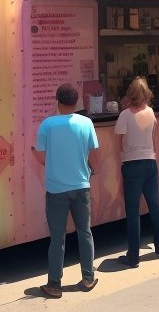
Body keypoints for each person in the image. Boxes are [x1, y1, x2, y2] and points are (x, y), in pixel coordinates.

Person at [32, 83, 99, 297]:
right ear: (76, 101)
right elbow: (94, 156)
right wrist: (90, 172)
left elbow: (42, 159)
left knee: (57, 238)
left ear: (57, 101)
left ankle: (54, 284)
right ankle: (88, 278)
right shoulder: (86, 123)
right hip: (81, 186)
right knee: (85, 232)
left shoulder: (47, 125)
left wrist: (33, 151)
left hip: (56, 189)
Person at [114, 77, 159, 268]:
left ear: (131, 94)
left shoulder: (125, 115)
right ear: (147, 94)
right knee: (154, 206)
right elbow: (154, 138)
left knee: (133, 211)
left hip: (131, 164)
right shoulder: (151, 112)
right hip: (150, 162)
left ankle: (133, 257)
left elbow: (120, 143)